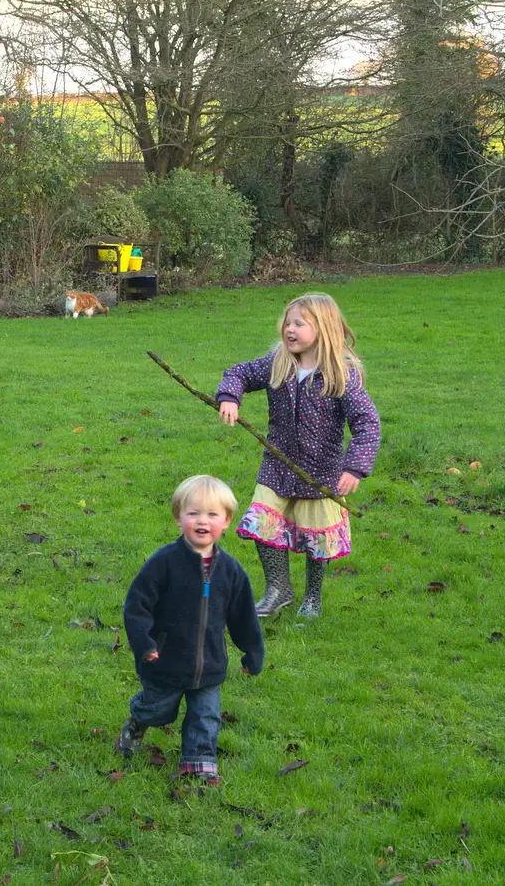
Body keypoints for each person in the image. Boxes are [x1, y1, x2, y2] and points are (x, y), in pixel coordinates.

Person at [215, 292, 382, 618]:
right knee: (261, 524)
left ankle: (312, 598)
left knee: (316, 539)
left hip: (322, 471)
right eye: (287, 323)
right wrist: (230, 397)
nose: (289, 330)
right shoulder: (278, 363)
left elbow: (367, 422)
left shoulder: (340, 375)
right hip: (277, 466)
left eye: (299, 324)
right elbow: (239, 373)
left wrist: (355, 468)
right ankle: (278, 589)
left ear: (324, 329)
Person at [117, 475, 264, 787]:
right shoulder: (164, 563)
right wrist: (143, 641)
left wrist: (252, 649)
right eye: (193, 513)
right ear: (178, 517)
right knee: (158, 709)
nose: (202, 521)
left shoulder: (231, 571)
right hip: (164, 659)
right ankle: (139, 721)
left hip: (209, 664)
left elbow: (243, 615)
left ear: (226, 521)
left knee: (205, 716)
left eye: (212, 515)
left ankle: (199, 762)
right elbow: (137, 606)